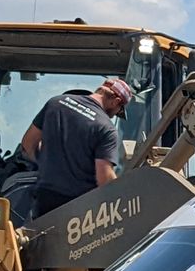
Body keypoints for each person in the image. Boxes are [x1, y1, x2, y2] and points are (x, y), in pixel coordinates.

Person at [18, 76, 131, 218]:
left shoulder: (55, 103)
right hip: (79, 211)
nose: (114, 116)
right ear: (116, 101)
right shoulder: (106, 128)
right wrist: (123, 199)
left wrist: (48, 164)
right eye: (118, 112)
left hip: (44, 201)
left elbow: (28, 143)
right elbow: (104, 177)